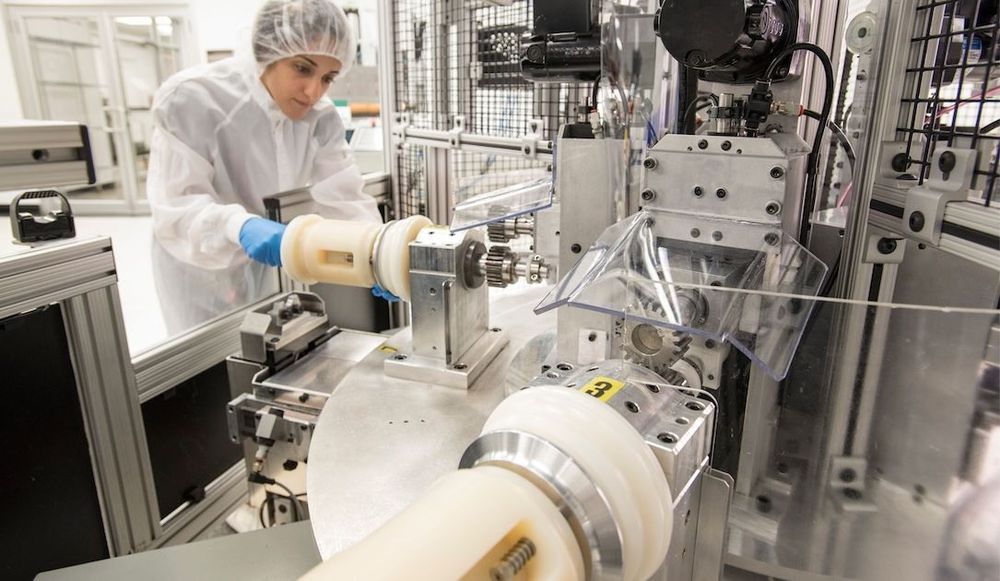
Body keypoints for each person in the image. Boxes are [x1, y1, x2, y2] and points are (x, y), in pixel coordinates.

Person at [147, 0, 388, 334]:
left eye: (328, 78)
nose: (313, 91)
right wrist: (239, 226)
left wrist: (378, 255)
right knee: (211, 360)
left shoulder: (320, 117)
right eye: (302, 68)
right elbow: (176, 210)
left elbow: (344, 195)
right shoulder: (192, 99)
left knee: (267, 348)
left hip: (266, 267)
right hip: (199, 269)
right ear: (268, 52)